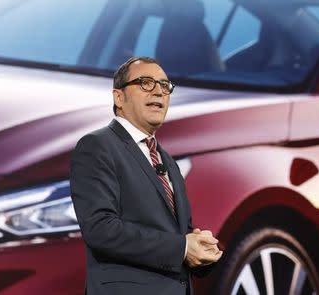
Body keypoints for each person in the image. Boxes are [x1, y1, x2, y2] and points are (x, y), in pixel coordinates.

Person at [70, 56, 222, 295]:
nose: (159, 92)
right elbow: (101, 229)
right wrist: (181, 248)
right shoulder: (97, 146)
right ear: (119, 97)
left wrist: (198, 248)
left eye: (164, 85)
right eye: (145, 83)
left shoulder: (167, 160)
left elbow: (178, 233)